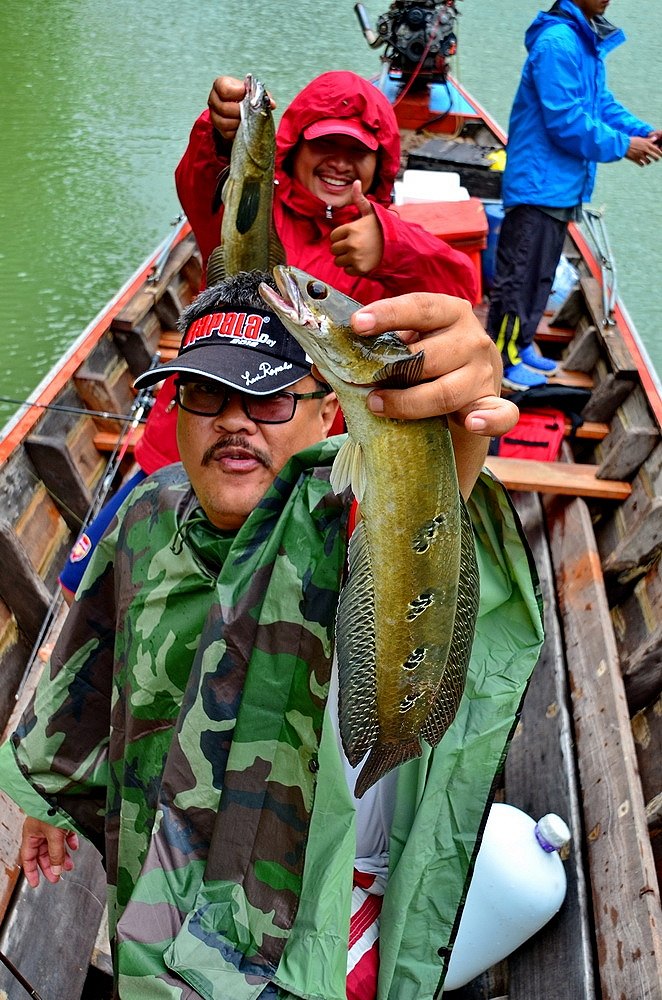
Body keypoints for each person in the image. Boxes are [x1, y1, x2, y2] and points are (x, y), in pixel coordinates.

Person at [0, 271, 543, 1000]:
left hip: (287, 946)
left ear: (330, 418)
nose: (234, 419)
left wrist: (453, 446)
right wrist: (50, 795)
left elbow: (422, 556)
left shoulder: (350, 530)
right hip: (153, 879)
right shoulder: (147, 511)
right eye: (205, 394)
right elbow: (92, 652)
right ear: (178, 413)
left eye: (269, 395)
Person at [58, 70, 480, 599]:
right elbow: (202, 186)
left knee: (258, 606)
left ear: (382, 163)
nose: (340, 162)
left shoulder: (389, 236)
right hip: (187, 439)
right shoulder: (256, 208)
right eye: (323, 144)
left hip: (302, 460)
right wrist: (220, 135)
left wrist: (391, 247)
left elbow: (461, 291)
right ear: (291, 146)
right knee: (91, 581)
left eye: (358, 151)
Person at [486, 0, 661, 391]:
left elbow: (600, 105)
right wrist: (623, 145)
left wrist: (643, 131)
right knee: (520, 279)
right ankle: (500, 362)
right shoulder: (558, 43)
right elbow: (565, 121)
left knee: (541, 276)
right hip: (537, 185)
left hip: (560, 186)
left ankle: (522, 344)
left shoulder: (584, 42)